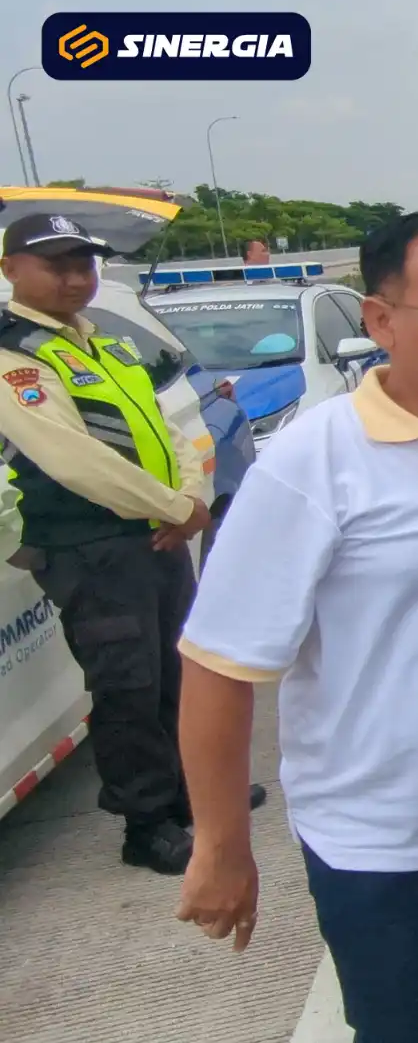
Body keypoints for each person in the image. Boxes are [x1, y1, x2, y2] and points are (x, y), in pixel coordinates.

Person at [173, 212, 418, 1043]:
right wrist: (221, 847)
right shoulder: (310, 463)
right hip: (379, 846)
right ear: (380, 321)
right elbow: (219, 665)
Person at [0, 213, 264, 875]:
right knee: (127, 688)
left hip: (157, 534)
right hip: (93, 547)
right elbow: (72, 460)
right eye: (55, 264)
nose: (73, 276)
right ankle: (146, 825)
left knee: (181, 674)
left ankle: (193, 796)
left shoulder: (102, 343)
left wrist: (193, 498)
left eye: (83, 263)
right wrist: (178, 507)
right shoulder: (15, 355)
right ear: (10, 271)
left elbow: (167, 427)